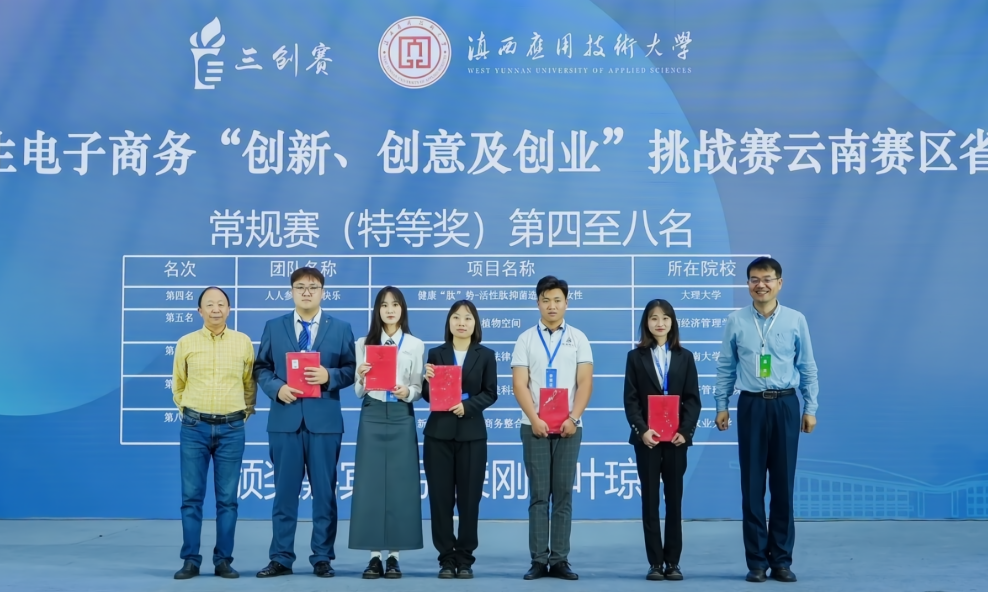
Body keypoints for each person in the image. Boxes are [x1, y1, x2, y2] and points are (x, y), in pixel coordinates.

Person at [715, 257, 818, 584]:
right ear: (747, 284)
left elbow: (807, 366)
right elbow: (725, 366)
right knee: (752, 486)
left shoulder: (795, 320)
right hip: (751, 405)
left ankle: (782, 561)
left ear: (779, 283)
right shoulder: (735, 320)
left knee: (783, 486)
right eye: (754, 279)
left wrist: (810, 407)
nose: (761, 285)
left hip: (786, 404)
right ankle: (757, 561)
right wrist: (721, 404)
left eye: (767, 279)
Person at [253, 267, 356, 579]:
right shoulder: (274, 327)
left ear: (323, 292)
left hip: (324, 423)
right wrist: (276, 388)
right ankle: (281, 557)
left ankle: (322, 557)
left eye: (313, 287)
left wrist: (329, 376)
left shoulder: (341, 328)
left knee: (324, 494)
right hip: (285, 420)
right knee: (284, 494)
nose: (307, 292)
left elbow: (352, 369)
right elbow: (261, 367)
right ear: (291, 292)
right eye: (300, 287)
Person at [511, 275, 593, 581]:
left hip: (570, 427)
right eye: (546, 300)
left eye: (557, 300)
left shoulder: (579, 338)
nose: (552, 306)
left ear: (566, 303)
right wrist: (534, 418)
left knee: (563, 494)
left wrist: (574, 417)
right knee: (538, 495)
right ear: (538, 303)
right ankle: (538, 559)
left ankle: (559, 560)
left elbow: (585, 382)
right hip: (534, 426)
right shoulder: (525, 339)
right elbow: (519, 384)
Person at [171, 287, 255, 580]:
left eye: (221, 304)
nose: (216, 309)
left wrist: (241, 414)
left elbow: (249, 384)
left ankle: (223, 561)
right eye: (209, 304)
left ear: (229, 309)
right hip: (194, 428)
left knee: (228, 500)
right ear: (200, 311)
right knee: (191, 498)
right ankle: (190, 560)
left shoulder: (243, 342)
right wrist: (189, 411)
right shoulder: (186, 342)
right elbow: (178, 384)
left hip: (232, 429)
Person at [349, 286, 425, 579]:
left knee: (400, 486)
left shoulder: (415, 344)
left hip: (401, 415)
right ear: (377, 310)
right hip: (372, 413)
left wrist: (408, 392)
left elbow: (418, 388)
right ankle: (373, 557)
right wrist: (361, 376)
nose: (390, 310)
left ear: (403, 309)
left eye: (395, 304)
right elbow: (358, 391)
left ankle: (394, 556)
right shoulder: (363, 343)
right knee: (370, 485)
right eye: (384, 305)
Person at [623, 299, 701, 581]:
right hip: (648, 441)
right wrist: (642, 430)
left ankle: (673, 562)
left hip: (676, 440)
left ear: (672, 322)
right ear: (646, 322)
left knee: (674, 501)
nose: (660, 323)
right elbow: (630, 400)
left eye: (665, 318)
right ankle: (655, 562)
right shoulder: (636, 357)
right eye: (654, 318)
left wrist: (686, 431)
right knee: (650, 501)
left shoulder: (685, 357)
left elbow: (693, 399)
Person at [422, 300, 498, 579]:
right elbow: (428, 396)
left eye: (467, 318)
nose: (462, 323)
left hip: (472, 434)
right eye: (456, 317)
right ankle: (446, 558)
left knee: (469, 500)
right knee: (440, 499)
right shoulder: (436, 353)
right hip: (438, 435)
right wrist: (427, 381)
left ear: (475, 323)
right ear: (449, 322)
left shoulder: (486, 355)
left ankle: (465, 558)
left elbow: (491, 392)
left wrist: (468, 406)